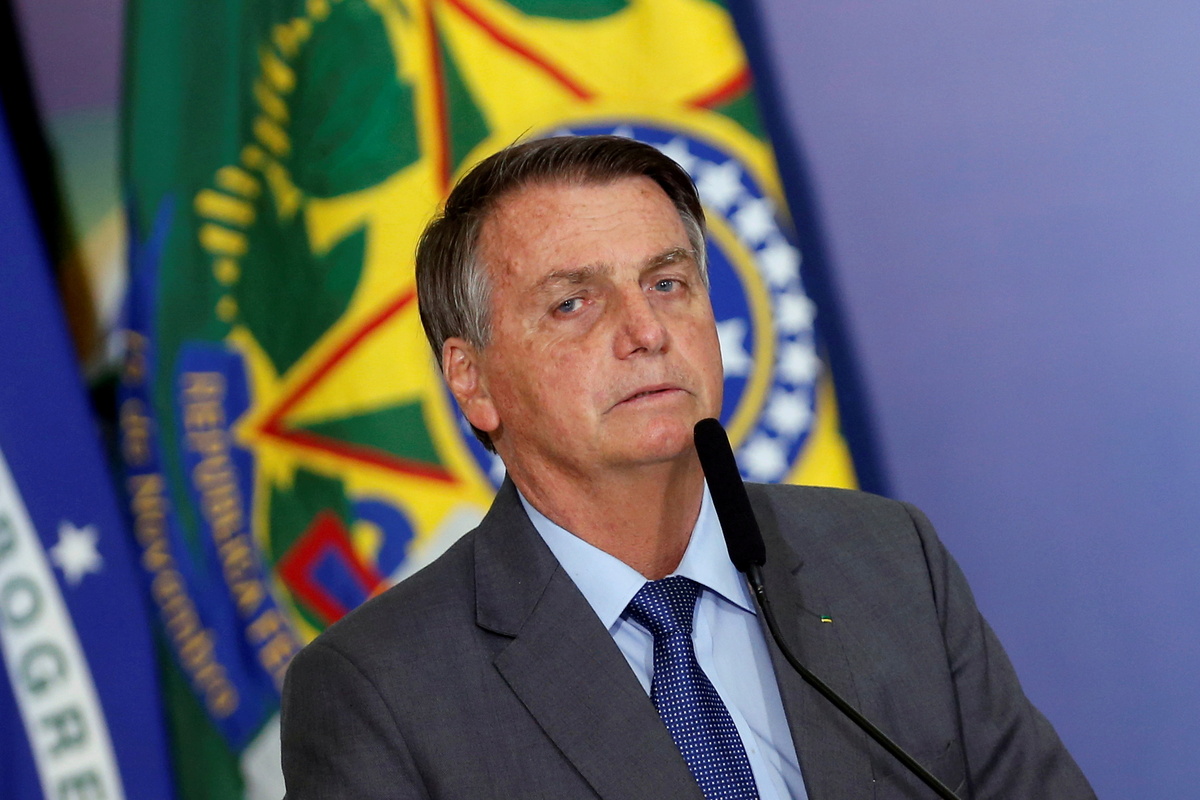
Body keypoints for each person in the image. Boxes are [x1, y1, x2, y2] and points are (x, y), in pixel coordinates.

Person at [280, 135, 1095, 799]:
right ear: (472, 380)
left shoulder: (887, 560)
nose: (647, 331)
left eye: (667, 283)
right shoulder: (380, 691)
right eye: (573, 303)